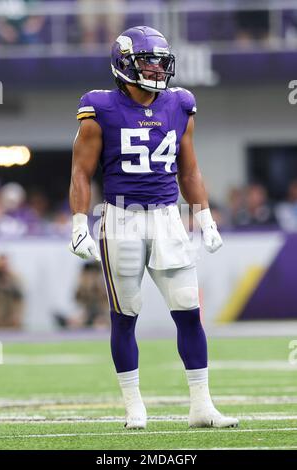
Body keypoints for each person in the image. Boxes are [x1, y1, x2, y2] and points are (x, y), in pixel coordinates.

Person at [69, 26, 238, 430]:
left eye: (161, 62)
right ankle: (134, 406)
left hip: (167, 217)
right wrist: (79, 222)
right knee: (125, 315)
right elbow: (81, 170)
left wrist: (204, 215)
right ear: (124, 65)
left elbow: (189, 168)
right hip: (121, 217)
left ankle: (201, 406)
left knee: (188, 311)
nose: (157, 70)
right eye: (148, 61)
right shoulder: (99, 107)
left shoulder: (180, 104)